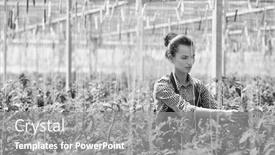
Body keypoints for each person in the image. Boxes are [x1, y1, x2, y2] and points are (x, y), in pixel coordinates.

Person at [153, 32, 237, 120]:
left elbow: (214, 108)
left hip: (193, 133)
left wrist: (234, 114)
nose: (190, 62)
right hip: (169, 133)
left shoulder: (198, 85)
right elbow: (185, 110)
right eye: (184, 57)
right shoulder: (162, 86)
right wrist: (225, 114)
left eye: (192, 56)